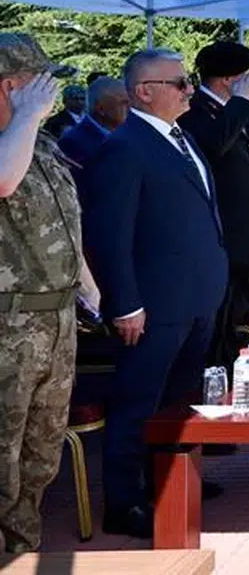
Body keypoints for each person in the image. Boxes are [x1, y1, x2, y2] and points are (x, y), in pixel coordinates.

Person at [84, 48, 229, 539]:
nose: (190, 90)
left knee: (177, 400)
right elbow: (108, 234)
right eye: (180, 83)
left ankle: (168, 478)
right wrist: (124, 302)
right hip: (153, 304)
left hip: (195, 297)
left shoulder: (178, 138)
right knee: (137, 403)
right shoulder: (124, 148)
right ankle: (125, 503)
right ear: (145, 91)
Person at [0, 34, 87, 552]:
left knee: (39, 457)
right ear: (12, 85)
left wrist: (92, 290)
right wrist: (25, 116)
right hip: (8, 328)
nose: (51, 95)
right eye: (39, 83)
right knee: (2, 456)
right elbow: (5, 182)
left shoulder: (42, 145)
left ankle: (19, 548)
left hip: (55, 323)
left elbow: (67, 225)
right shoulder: (17, 139)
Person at [179, 39, 249, 373]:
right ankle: (215, 375)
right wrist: (242, 104)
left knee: (235, 310)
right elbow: (213, 144)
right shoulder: (197, 110)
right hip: (225, 233)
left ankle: (226, 368)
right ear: (229, 79)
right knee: (221, 315)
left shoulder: (226, 111)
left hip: (243, 234)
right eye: (246, 75)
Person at [58, 77, 129, 193]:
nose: (131, 108)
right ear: (101, 108)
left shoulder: (130, 133)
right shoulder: (73, 143)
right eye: (124, 103)